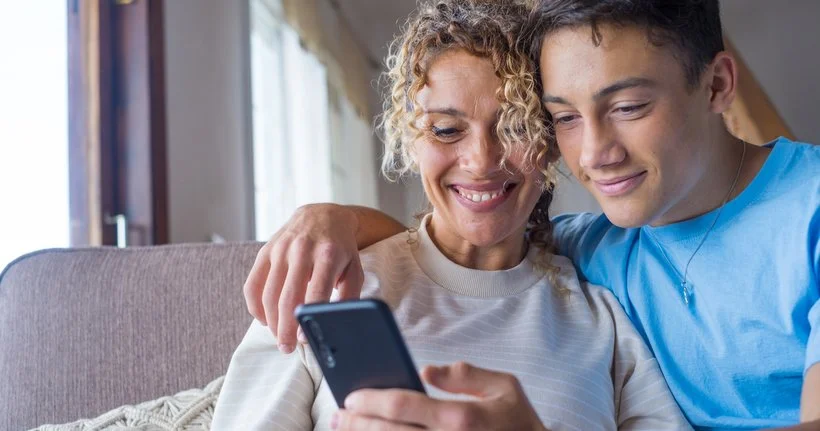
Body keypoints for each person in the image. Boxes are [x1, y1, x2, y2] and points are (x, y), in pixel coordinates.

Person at [242, 0, 820, 430]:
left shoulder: (604, 298)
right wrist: (330, 219)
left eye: (628, 106)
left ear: (717, 84)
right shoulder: (598, 247)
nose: (595, 153)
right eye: (566, 117)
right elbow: (464, 263)